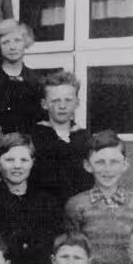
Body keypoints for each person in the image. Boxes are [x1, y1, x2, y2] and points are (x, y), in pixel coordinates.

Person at [64, 130, 133, 264]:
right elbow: (71, 251)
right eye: (100, 162)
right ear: (87, 165)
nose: (108, 169)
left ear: (125, 164)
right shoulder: (76, 205)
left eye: (114, 162)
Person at [0, 133, 61, 264]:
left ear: (32, 163)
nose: (17, 166)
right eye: (9, 160)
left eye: (24, 160)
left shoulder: (46, 202)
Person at [29, 70, 94, 205]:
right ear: (44, 104)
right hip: (43, 209)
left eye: (68, 100)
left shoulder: (86, 139)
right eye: (55, 100)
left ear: (77, 103)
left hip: (80, 209)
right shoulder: (33, 138)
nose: (62, 106)